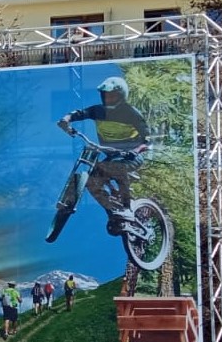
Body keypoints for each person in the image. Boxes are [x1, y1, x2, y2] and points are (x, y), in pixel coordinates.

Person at [56, 76, 151, 237]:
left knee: (117, 167)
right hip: (111, 157)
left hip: (131, 157)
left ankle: (127, 207)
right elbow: (80, 114)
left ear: (121, 96)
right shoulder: (98, 110)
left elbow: (147, 139)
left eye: (112, 95)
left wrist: (135, 151)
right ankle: (113, 210)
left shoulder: (131, 113)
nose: (108, 99)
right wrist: (66, 120)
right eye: (106, 95)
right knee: (91, 181)